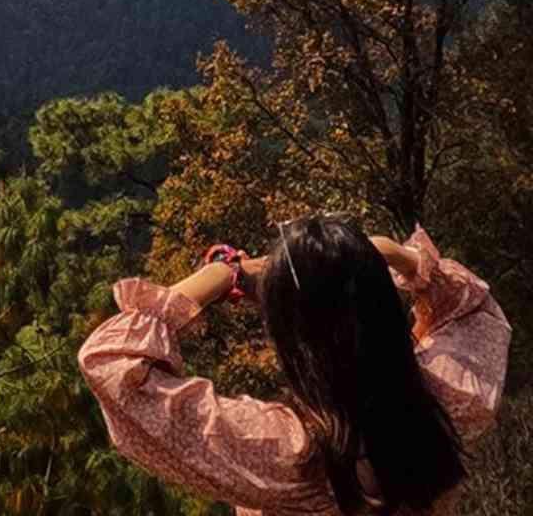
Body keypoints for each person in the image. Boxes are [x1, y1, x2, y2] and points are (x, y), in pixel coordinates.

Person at [78, 218, 510, 515]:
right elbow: (472, 308)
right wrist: (393, 254)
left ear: (293, 338)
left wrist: (219, 275)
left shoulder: (287, 454)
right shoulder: (450, 401)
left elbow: (113, 366)